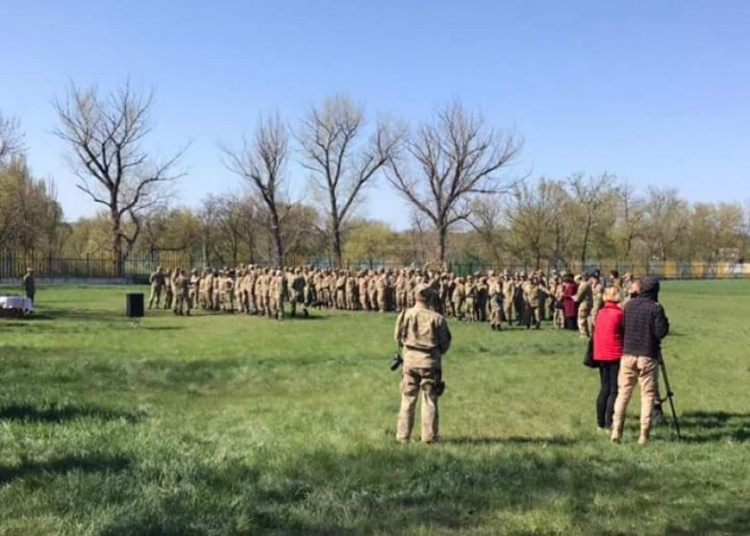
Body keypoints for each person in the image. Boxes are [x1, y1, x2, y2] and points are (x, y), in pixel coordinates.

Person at [610, 277, 670, 444]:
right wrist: (665, 321)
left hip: (628, 354)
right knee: (648, 395)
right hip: (647, 355)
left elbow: (623, 326)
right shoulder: (655, 308)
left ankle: (616, 430)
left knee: (623, 394)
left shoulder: (629, 305)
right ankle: (644, 433)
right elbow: (660, 332)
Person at [394, 283, 452, 444]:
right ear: (431, 297)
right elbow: (445, 343)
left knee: (407, 399)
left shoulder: (405, 315)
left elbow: (398, 338)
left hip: (409, 362)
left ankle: (403, 436)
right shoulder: (437, 318)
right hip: (429, 363)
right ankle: (429, 437)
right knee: (429, 400)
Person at [593, 287, 624, 430]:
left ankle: (600, 422)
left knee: (604, 388)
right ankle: (609, 421)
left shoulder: (600, 313)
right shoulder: (619, 314)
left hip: (601, 354)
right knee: (614, 390)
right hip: (615, 354)